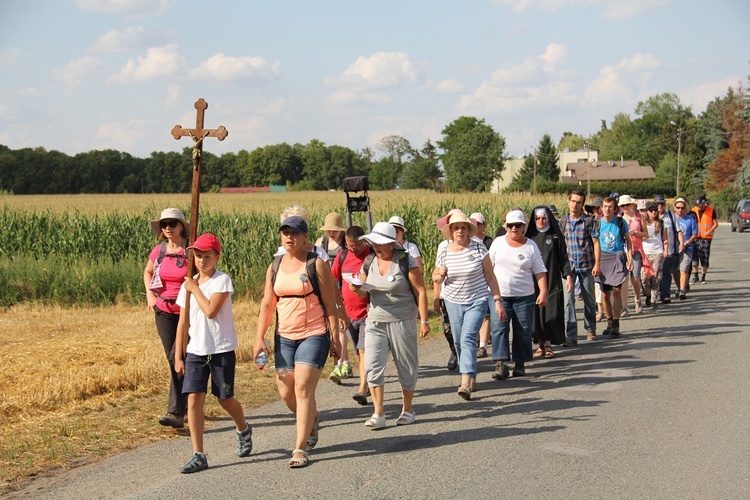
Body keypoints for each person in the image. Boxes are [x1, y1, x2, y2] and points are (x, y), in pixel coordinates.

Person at [254, 216, 343, 468]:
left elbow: (330, 305)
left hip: (314, 333)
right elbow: (267, 303)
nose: (289, 237)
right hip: (284, 335)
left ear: (306, 238)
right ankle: (312, 418)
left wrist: (335, 338)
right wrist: (259, 337)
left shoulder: (316, 264)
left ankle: (300, 448)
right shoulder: (275, 265)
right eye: (285, 232)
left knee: (303, 386)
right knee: (286, 391)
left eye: (295, 233)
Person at [174, 233, 252, 474]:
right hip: (196, 350)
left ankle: (243, 429)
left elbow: (210, 310)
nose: (201, 261)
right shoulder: (188, 285)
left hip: (220, 349)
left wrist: (194, 287)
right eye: (197, 256)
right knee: (193, 400)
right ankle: (198, 454)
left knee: (224, 399)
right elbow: (183, 323)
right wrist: (179, 355)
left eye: (207, 256)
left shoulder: (221, 281)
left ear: (217, 257)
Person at [350, 222, 430, 427]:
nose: (375, 247)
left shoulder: (405, 260)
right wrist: (355, 288)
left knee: (405, 366)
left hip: (402, 321)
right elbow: (362, 292)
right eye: (373, 242)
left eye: (380, 243)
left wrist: (424, 320)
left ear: (391, 244)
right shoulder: (369, 261)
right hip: (375, 321)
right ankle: (379, 414)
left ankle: (408, 409)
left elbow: (420, 290)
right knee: (372, 366)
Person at [433, 211, 504, 400]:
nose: (460, 231)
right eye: (456, 228)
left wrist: (497, 300)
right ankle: (471, 374)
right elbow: (435, 276)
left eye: (463, 227)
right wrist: (439, 277)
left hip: (477, 299)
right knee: (458, 342)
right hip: (453, 301)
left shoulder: (479, 248)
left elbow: (490, 276)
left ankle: (465, 381)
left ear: (468, 230)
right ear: (450, 231)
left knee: (468, 338)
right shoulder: (444, 249)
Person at [143, 207, 189, 429]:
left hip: (186, 313)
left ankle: (176, 412)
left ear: (181, 226)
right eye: (164, 224)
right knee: (174, 359)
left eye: (172, 223)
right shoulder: (159, 250)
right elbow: (148, 272)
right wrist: (150, 294)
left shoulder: (190, 250)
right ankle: (189, 401)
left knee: (177, 357)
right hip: (164, 311)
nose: (168, 228)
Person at [488, 210, 547, 379]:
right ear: (506, 226)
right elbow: (488, 267)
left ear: (523, 227)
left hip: (524, 296)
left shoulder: (531, 246)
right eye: (510, 225)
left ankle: (520, 363)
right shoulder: (498, 243)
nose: (514, 228)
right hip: (501, 296)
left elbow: (540, 271)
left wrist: (542, 291)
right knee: (499, 328)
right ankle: (500, 364)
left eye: (518, 225)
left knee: (523, 330)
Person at [330, 226, 372, 405]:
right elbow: (332, 281)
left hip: (369, 312)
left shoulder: (372, 256)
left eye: (356, 245)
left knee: (364, 350)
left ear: (364, 241)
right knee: (357, 352)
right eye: (349, 245)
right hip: (348, 314)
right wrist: (338, 309)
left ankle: (363, 388)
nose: (353, 249)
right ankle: (368, 382)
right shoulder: (342, 256)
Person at [527, 206, 572, 358]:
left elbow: (563, 258)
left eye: (544, 218)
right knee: (537, 313)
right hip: (533, 281)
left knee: (551, 313)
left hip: (553, 279)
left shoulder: (554, 236)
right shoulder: (530, 237)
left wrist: (568, 276)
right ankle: (540, 344)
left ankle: (549, 343)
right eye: (538, 218)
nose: (541, 221)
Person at [559, 190, 601, 344]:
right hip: (569, 268)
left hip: (586, 265)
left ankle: (591, 328)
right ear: (568, 202)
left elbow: (596, 243)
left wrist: (597, 263)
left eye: (578, 202)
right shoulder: (563, 222)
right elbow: (561, 246)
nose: (575, 205)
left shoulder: (589, 221)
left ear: (582, 204)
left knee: (589, 299)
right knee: (568, 301)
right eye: (573, 201)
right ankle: (571, 334)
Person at [597, 197, 633, 336]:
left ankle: (616, 322)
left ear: (615, 208)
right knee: (605, 294)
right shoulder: (598, 223)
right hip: (603, 258)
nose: (607, 209)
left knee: (617, 290)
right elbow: (594, 242)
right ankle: (609, 321)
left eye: (610, 207)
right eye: (605, 206)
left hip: (617, 256)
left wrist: (629, 257)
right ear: (601, 207)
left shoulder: (620, 222)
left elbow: (628, 241)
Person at [434, 208, 462, 371]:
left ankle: (465, 358)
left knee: (464, 331)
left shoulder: (475, 245)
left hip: (466, 296)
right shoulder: (443, 247)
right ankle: (454, 351)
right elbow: (437, 273)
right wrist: (437, 297)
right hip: (447, 295)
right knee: (448, 329)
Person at [470, 212, 493, 358]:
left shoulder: (490, 242)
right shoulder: (467, 242)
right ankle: (476, 340)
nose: (477, 226)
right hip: (472, 285)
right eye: (474, 224)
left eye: (479, 223)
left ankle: (483, 345)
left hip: (487, 283)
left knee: (486, 315)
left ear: (484, 225)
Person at [619, 195, 646, 315]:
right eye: (622, 205)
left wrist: (636, 233)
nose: (625, 207)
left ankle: (637, 300)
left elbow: (646, 234)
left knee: (635, 277)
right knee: (623, 279)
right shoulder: (619, 219)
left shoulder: (639, 217)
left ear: (632, 205)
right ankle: (624, 306)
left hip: (636, 250)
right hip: (623, 251)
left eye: (627, 205)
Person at [654, 194, 683, 303]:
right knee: (654, 275)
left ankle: (665, 295)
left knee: (666, 273)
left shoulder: (671, 215)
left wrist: (681, 243)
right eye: (657, 204)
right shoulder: (649, 217)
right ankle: (653, 294)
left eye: (662, 204)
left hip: (669, 250)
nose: (660, 206)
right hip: (653, 251)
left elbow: (678, 230)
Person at [641, 202, 668, 309]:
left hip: (657, 252)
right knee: (644, 277)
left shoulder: (661, 222)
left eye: (655, 210)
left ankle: (653, 300)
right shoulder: (642, 223)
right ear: (647, 211)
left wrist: (665, 250)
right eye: (651, 210)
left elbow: (665, 238)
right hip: (645, 252)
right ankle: (647, 293)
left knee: (656, 277)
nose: (653, 212)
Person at [673, 197, 698, 300]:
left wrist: (689, 241)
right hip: (674, 248)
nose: (680, 210)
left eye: (682, 208)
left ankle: (682, 290)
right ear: (674, 207)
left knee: (684, 269)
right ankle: (679, 288)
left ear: (685, 208)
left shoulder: (690, 219)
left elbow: (695, 233)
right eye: (678, 207)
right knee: (675, 271)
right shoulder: (671, 219)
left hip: (687, 248)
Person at [690, 194, 719, 284]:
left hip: (706, 238)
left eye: (701, 205)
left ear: (705, 203)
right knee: (694, 257)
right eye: (698, 205)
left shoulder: (711, 210)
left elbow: (715, 223)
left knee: (705, 257)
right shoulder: (693, 210)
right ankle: (695, 275)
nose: (700, 207)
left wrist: (709, 231)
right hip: (695, 237)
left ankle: (703, 276)